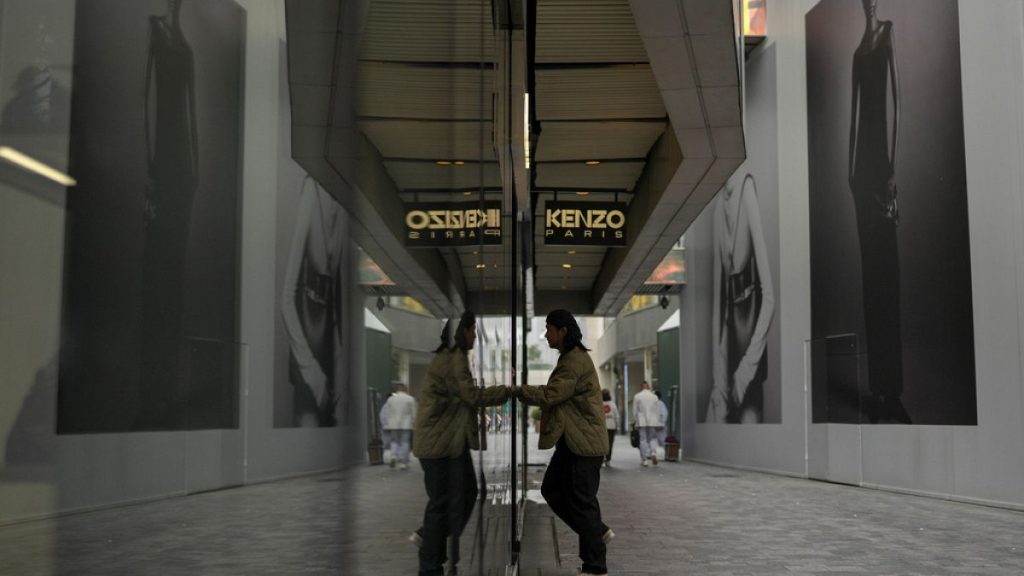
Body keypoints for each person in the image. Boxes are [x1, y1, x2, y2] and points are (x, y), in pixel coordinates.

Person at [847, 0, 910, 424]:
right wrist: (847, 171)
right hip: (860, 174)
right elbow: (852, 117)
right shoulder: (857, 50)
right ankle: (878, 389)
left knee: (887, 273)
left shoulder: (888, 34)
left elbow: (898, 102)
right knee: (872, 276)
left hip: (881, 168)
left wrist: (892, 167)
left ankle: (892, 388)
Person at [514, 309, 611, 576]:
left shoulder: (573, 361)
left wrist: (519, 390)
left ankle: (595, 567)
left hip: (584, 444)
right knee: (552, 490)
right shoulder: (570, 358)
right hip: (572, 442)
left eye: (549, 329)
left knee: (582, 502)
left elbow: (551, 395)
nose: (545, 334)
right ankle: (597, 530)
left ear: (563, 331)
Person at [413, 312, 510, 576]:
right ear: (462, 332)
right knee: (445, 501)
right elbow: (471, 395)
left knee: (462, 495)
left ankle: (431, 540)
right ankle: (430, 560)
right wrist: (508, 391)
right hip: (440, 445)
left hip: (448, 444)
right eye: (472, 330)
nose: (475, 336)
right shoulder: (453, 359)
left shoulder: (451, 357)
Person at [706, 172, 775, 423]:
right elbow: (718, 307)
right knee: (719, 416)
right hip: (730, 345)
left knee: (749, 420)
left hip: (750, 346)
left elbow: (769, 298)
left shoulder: (746, 189)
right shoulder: (717, 208)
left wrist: (747, 368)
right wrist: (718, 378)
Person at [281, 176, 347, 427]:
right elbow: (286, 297)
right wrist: (311, 372)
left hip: (330, 354)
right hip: (307, 352)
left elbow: (337, 314)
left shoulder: (342, 203)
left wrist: (341, 371)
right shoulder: (312, 188)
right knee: (307, 427)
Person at [384, 382, 416, 469]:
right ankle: (403, 463)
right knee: (405, 442)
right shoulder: (410, 399)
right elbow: (414, 414)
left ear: (397, 389)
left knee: (394, 441)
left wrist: (387, 423)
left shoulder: (390, 399)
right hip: (406, 424)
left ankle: (393, 456)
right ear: (406, 389)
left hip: (393, 424)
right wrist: (414, 423)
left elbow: (387, 412)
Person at [632, 381, 661, 466]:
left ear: (641, 387)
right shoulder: (654, 397)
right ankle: (653, 453)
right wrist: (658, 422)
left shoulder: (637, 396)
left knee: (643, 440)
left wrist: (634, 421)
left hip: (642, 421)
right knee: (652, 438)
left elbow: (634, 410)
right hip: (653, 420)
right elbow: (657, 410)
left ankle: (644, 460)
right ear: (649, 387)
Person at [601, 389, 619, 467]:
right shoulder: (613, 404)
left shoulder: (599, 404)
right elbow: (617, 416)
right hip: (611, 426)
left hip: (602, 427)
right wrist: (617, 426)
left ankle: (601, 459)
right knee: (610, 444)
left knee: (601, 444)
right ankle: (608, 459)